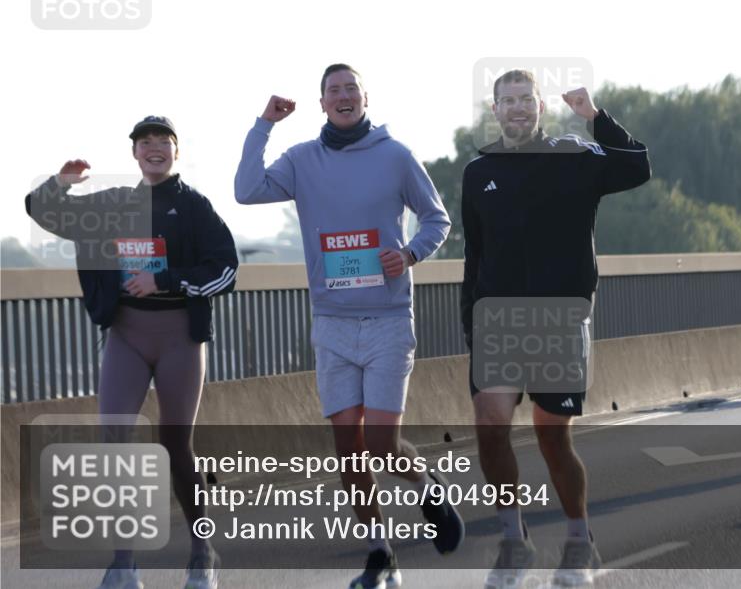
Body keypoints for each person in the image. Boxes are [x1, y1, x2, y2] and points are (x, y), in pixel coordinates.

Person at [234, 63, 462, 589]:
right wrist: (263, 125)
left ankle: (428, 490)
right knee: (349, 452)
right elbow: (247, 191)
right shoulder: (302, 160)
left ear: (365, 97)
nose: (342, 96)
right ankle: (380, 552)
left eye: (350, 88)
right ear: (321, 104)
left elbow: (437, 219)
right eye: (332, 90)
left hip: (386, 320)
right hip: (332, 322)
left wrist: (408, 254)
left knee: (382, 445)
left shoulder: (396, 156)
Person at [25, 115, 238, 589]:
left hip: (179, 335)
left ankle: (203, 551)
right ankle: (124, 563)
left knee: (174, 443)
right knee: (114, 440)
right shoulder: (114, 203)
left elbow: (226, 268)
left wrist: (163, 280)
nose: (155, 149)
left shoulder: (194, 205)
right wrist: (60, 184)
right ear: (135, 153)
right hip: (125, 334)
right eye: (146, 143)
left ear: (176, 152)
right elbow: (44, 213)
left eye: (164, 142)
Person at [461, 69, 651, 587]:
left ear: (539, 107)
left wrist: (595, 118)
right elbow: (473, 256)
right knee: (491, 425)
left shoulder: (575, 157)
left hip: (560, 317)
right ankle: (514, 542)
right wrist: (470, 326)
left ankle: (578, 540)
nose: (517, 108)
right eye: (507, 101)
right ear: (495, 110)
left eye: (526, 99)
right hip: (497, 321)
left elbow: (637, 168)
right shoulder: (479, 173)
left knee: (551, 436)